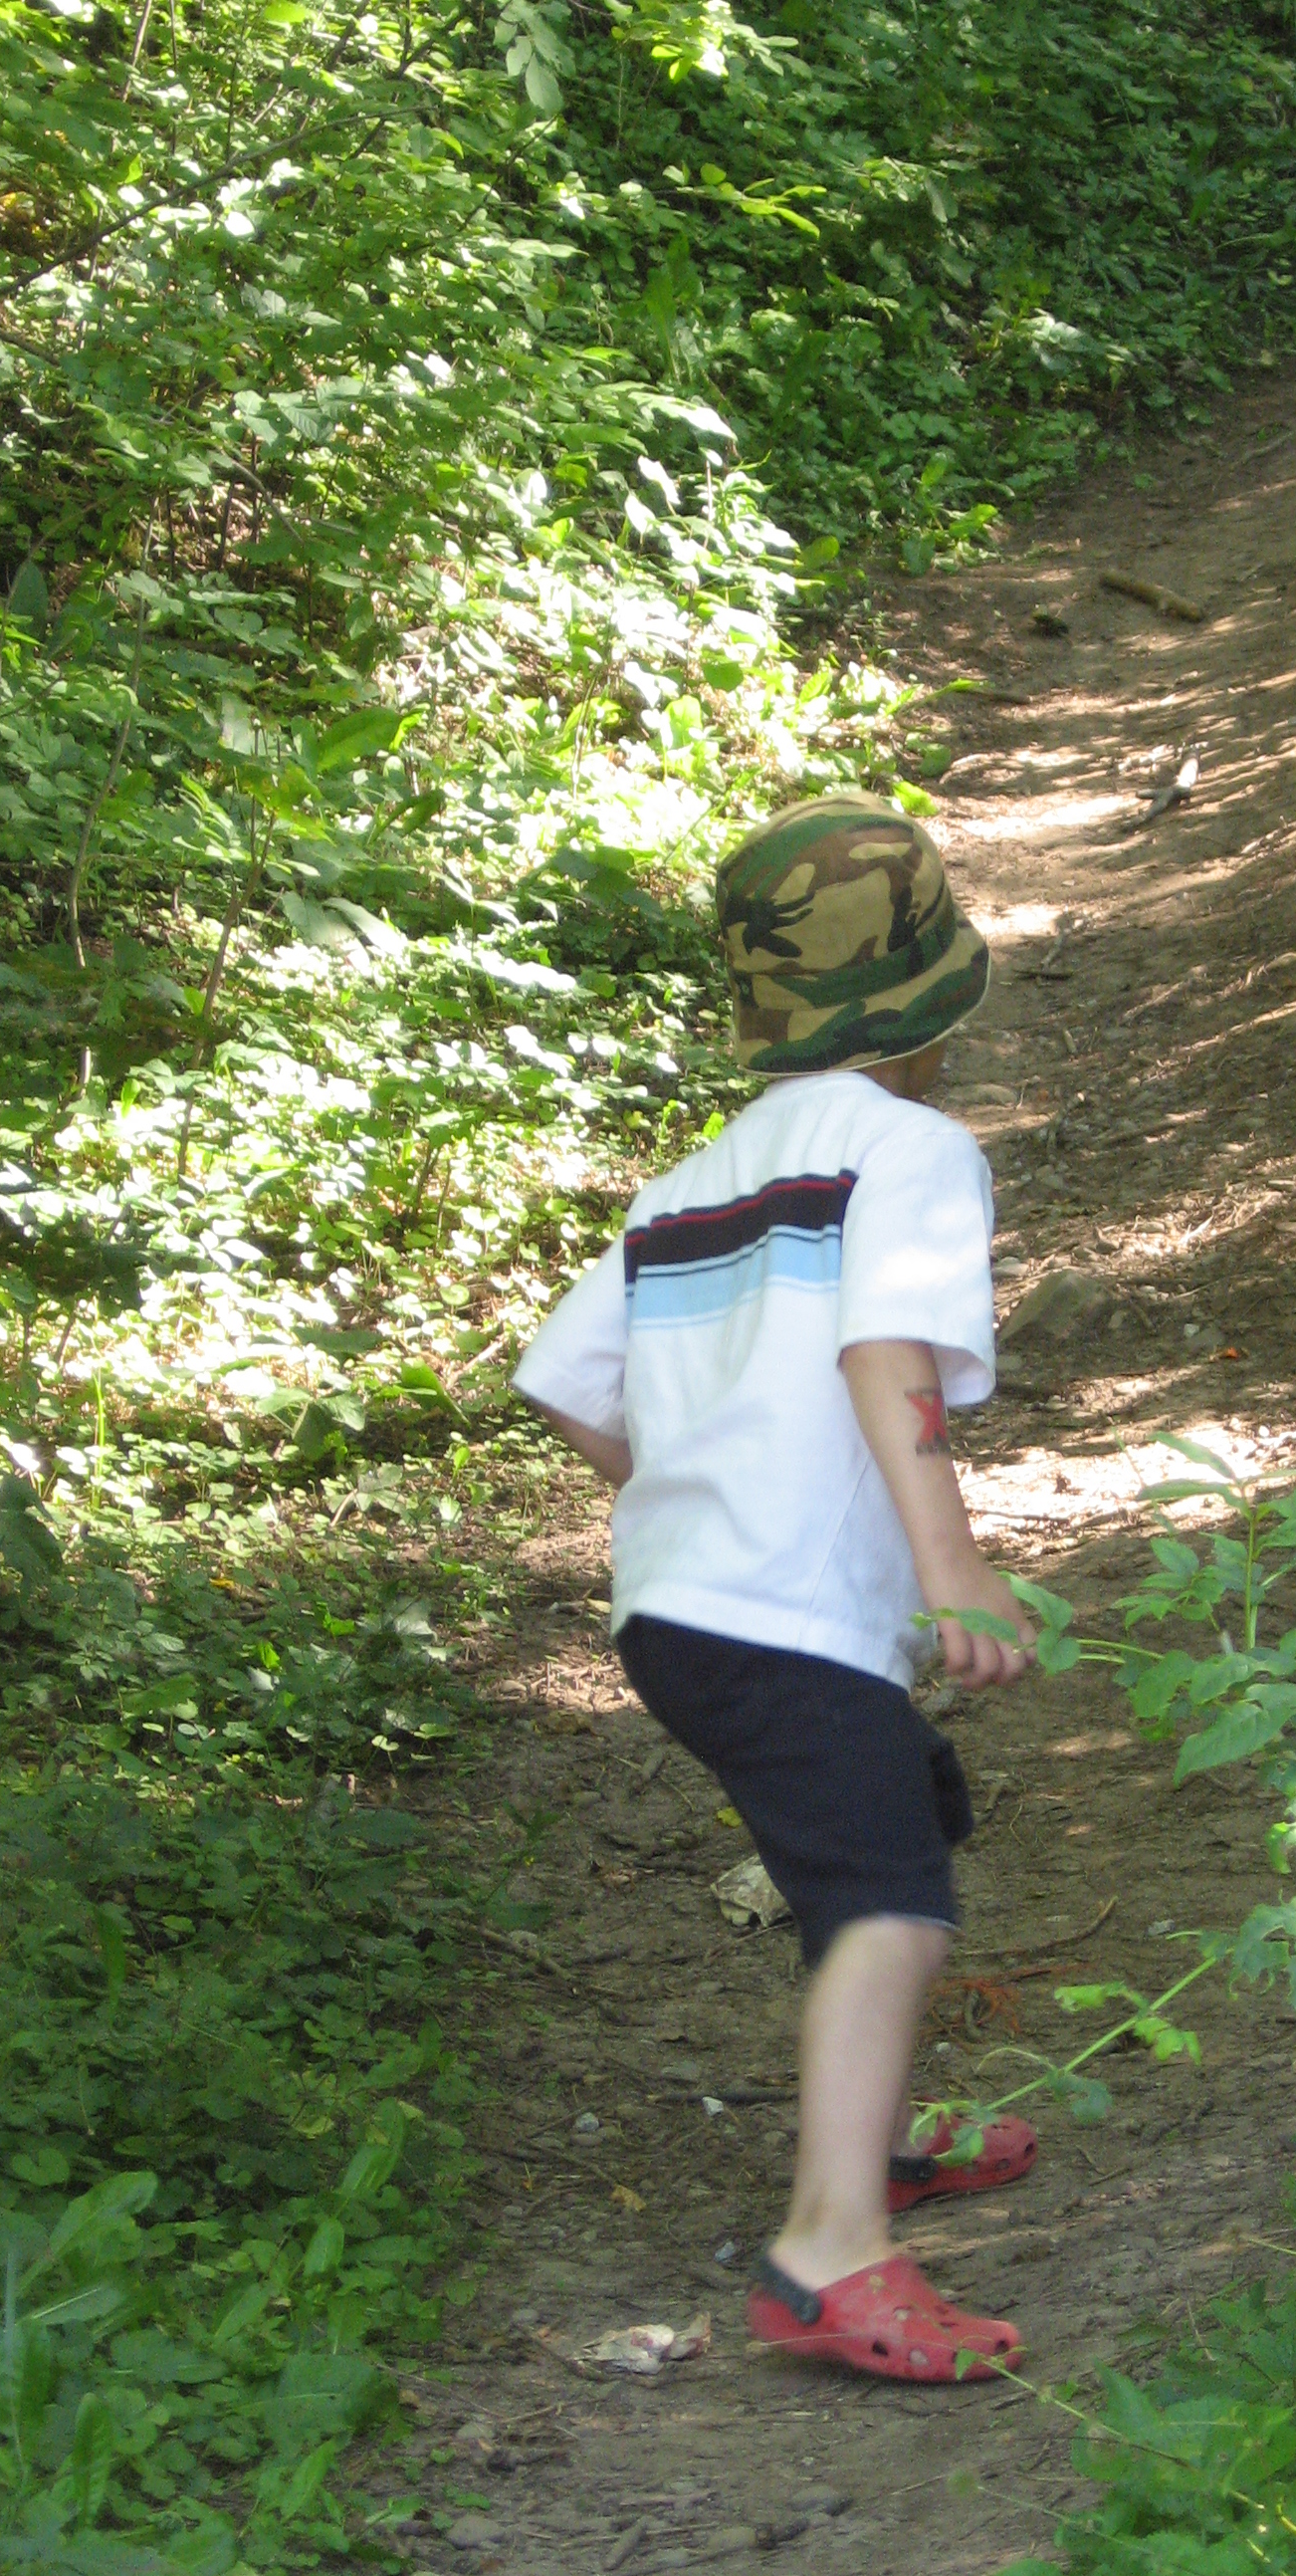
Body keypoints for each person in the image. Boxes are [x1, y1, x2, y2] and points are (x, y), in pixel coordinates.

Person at [513, 790, 1040, 2384]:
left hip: (676, 1613)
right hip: (782, 1618)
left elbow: (567, 1386)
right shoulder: (913, 1149)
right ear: (930, 1008)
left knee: (894, 1814)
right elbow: (885, 1349)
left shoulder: (685, 1187)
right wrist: (954, 1567)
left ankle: (873, 2130)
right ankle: (832, 2250)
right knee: (890, 1900)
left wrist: (689, 1498)